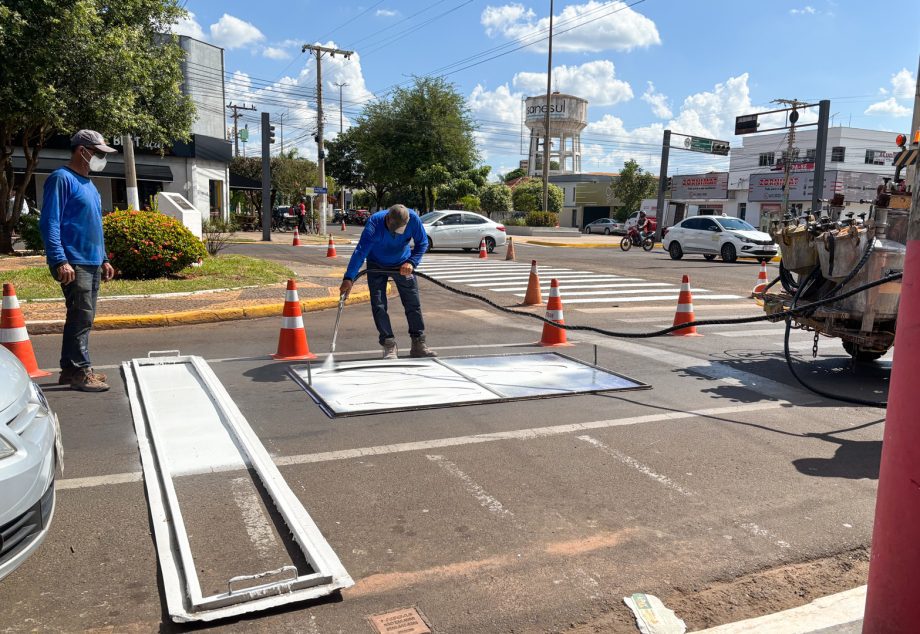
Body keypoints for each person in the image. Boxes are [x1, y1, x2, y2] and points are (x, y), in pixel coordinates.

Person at [39, 130, 117, 392]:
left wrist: (104, 258)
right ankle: (81, 371)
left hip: (92, 262)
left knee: (82, 317)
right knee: (82, 317)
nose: (100, 159)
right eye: (97, 153)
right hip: (73, 261)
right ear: (82, 150)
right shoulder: (61, 179)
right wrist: (60, 259)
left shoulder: (91, 186)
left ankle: (70, 370)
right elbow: (49, 222)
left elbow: (94, 226)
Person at [340, 204, 435, 359]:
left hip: (403, 263)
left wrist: (412, 262)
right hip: (376, 264)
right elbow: (360, 252)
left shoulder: (413, 220)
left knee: (413, 303)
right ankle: (388, 344)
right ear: (388, 219)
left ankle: (418, 343)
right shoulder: (374, 224)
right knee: (378, 304)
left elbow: (422, 243)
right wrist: (349, 278)